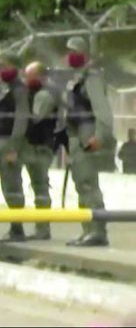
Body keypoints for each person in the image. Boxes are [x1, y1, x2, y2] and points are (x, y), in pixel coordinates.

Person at [64, 36, 113, 247]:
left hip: (88, 133)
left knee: (88, 185)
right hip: (77, 136)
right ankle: (87, 230)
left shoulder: (92, 77)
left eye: (74, 51)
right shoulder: (78, 78)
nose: (70, 55)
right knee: (81, 185)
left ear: (83, 53)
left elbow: (103, 111)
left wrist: (100, 136)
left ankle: (97, 231)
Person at [0, 53, 30, 243]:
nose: (0, 70)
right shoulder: (4, 90)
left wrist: (14, 147)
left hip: (10, 143)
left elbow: (21, 120)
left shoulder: (19, 90)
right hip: (0, 140)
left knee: (13, 186)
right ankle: (15, 227)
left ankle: (17, 229)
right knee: (7, 187)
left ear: (14, 67)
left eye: (4, 66)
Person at [21, 61, 62, 240]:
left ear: (40, 76)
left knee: (40, 187)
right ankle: (41, 228)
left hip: (40, 146)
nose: (25, 81)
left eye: (29, 77)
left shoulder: (45, 94)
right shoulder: (37, 91)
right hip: (35, 144)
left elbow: (34, 119)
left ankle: (43, 229)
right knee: (38, 186)